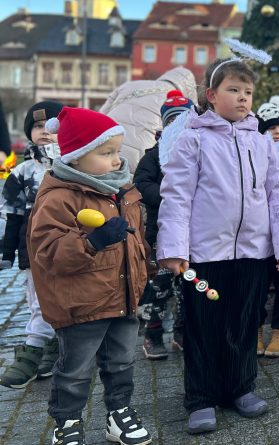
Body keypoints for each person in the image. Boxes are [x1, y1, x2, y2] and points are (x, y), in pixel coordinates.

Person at [157, 58, 279, 433]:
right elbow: (176, 196)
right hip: (205, 256)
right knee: (204, 326)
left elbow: (277, 196)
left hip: (253, 254)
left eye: (248, 92)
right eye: (233, 90)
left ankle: (240, 387)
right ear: (211, 95)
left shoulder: (262, 143)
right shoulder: (193, 139)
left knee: (244, 321)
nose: (242, 98)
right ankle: (201, 397)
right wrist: (175, 250)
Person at [28, 106, 152, 445]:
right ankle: (66, 423)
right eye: (106, 152)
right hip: (82, 304)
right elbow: (48, 252)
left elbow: (136, 241)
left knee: (122, 363)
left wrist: (146, 274)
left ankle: (119, 413)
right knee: (75, 370)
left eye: (117, 151)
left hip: (123, 298)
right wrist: (93, 242)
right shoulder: (59, 197)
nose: (116, 160)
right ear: (78, 157)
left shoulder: (122, 191)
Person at [0, 101, 63, 388]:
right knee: (38, 302)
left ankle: (52, 349)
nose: (44, 132)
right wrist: (7, 251)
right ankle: (32, 351)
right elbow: (11, 214)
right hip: (32, 249)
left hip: (68, 247)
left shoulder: (73, 166)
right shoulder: (23, 173)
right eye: (38, 126)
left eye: (52, 126)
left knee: (64, 300)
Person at [133, 90, 193, 359]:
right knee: (160, 285)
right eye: (172, 120)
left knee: (188, 284)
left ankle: (183, 331)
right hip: (163, 231)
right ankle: (153, 333)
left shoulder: (195, 150)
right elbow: (142, 184)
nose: (177, 126)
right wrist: (167, 194)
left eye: (183, 119)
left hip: (193, 231)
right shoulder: (154, 156)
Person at [251, 100, 279, 356]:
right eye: (270, 128)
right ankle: (254, 328)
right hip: (258, 231)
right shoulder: (255, 154)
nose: (277, 132)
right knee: (257, 284)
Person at [99, 67, 197, 171]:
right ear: (190, 89)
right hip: (142, 158)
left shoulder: (129, 85)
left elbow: (100, 116)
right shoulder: (181, 105)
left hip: (109, 147)